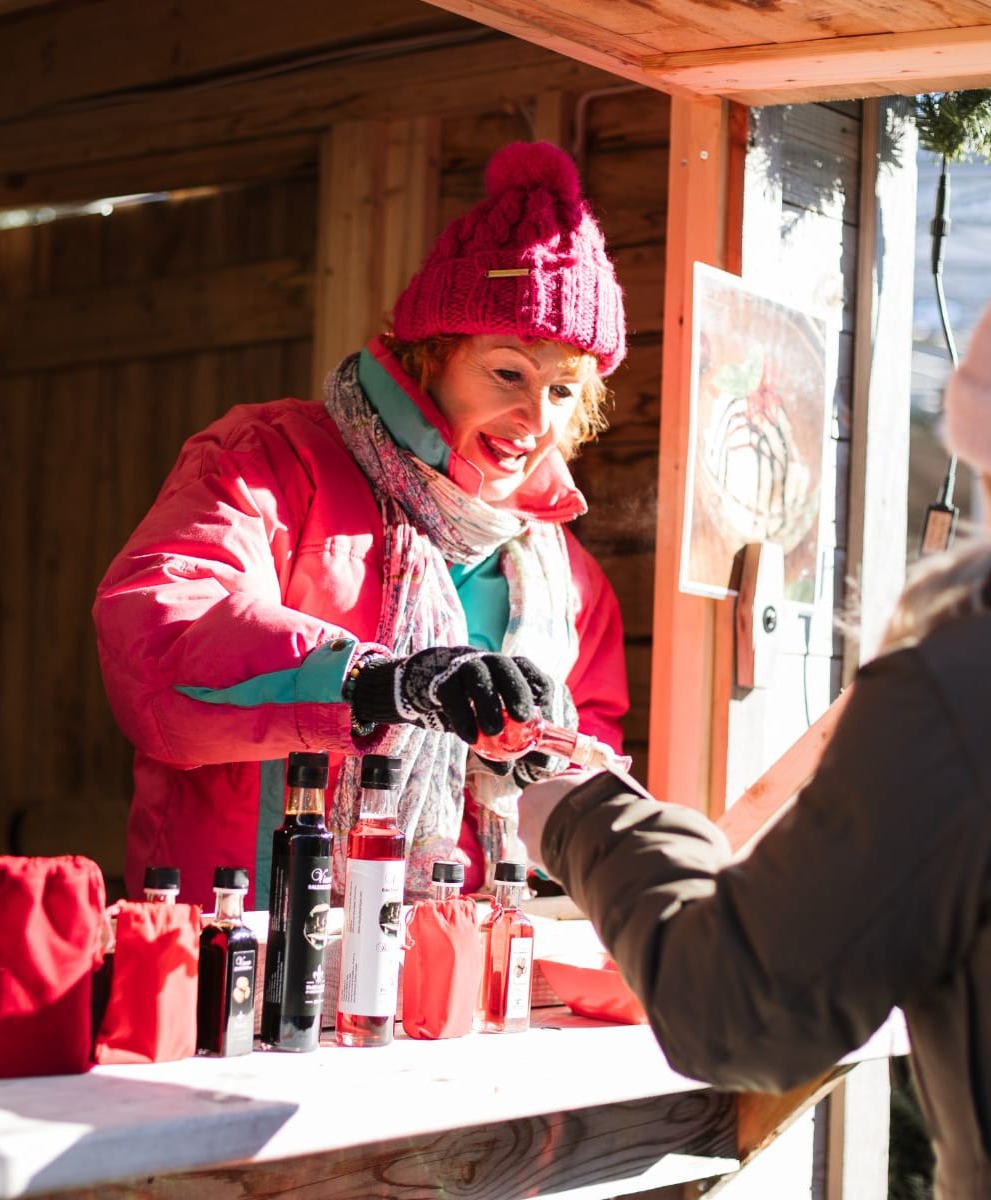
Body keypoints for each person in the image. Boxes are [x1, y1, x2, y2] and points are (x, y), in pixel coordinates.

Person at [518, 298, 991, 1198]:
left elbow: (744, 1008)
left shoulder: (958, 692)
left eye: (560, 388)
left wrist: (579, 814)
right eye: (508, 372)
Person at [93, 140, 630, 910]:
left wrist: (545, 753)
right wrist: (381, 682)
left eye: (563, 390)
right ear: (430, 358)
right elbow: (155, 641)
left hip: (458, 968)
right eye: (507, 371)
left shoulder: (564, 575)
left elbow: (590, 754)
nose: (532, 419)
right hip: (245, 938)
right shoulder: (271, 460)